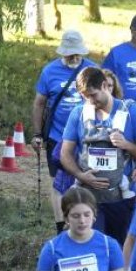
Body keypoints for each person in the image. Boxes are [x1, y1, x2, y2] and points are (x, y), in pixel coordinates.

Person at [58, 67, 136, 242]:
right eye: (84, 96)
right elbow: (65, 153)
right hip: (88, 199)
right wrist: (81, 175)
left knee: (118, 249)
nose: (90, 101)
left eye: (93, 95)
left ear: (105, 86)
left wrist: (126, 144)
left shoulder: (131, 112)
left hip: (121, 199)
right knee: (92, 246)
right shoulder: (79, 113)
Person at [31, 30, 96, 232]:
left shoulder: (93, 70)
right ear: (63, 53)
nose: (75, 58)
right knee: (58, 182)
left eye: (78, 54)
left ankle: (83, 222)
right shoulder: (49, 71)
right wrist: (37, 133)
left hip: (86, 138)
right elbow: (39, 103)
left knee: (84, 180)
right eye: (70, 55)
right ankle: (61, 225)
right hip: (57, 136)